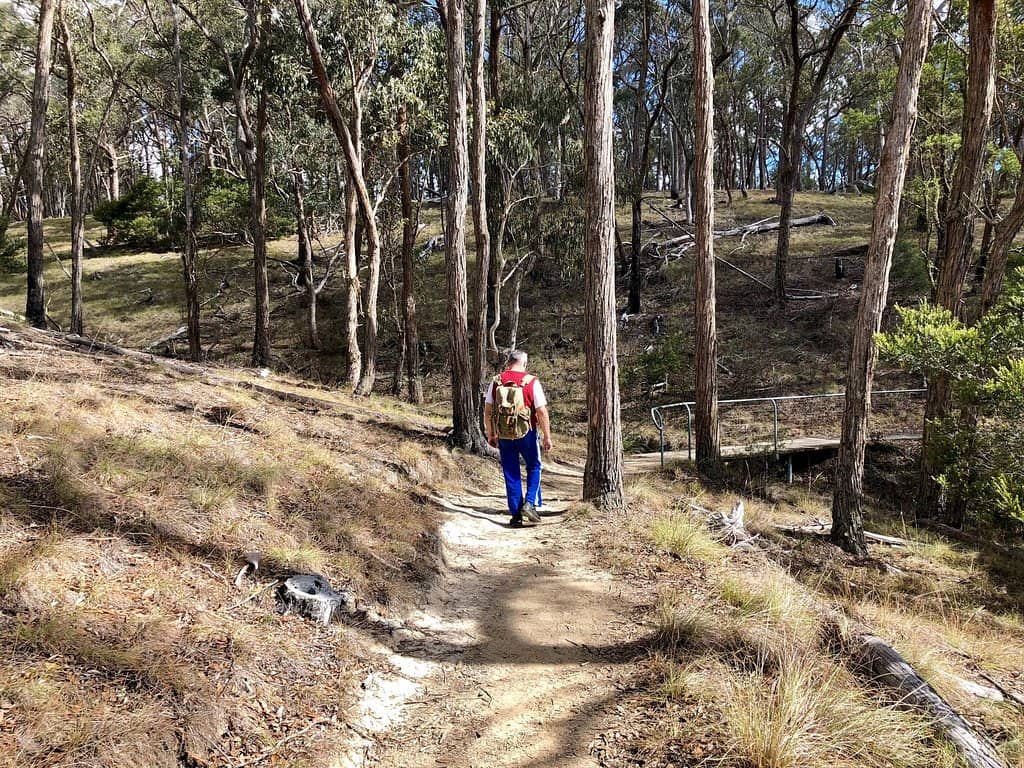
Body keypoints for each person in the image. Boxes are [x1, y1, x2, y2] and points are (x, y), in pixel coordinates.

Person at [483, 350, 553, 527]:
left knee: (511, 473)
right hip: (527, 432)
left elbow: (488, 410)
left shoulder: (496, 381)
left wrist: (491, 433)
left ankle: (516, 515)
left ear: (509, 362)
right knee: (534, 466)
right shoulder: (531, 382)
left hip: (504, 434)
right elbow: (541, 411)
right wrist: (547, 436)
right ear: (524, 363)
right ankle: (529, 503)